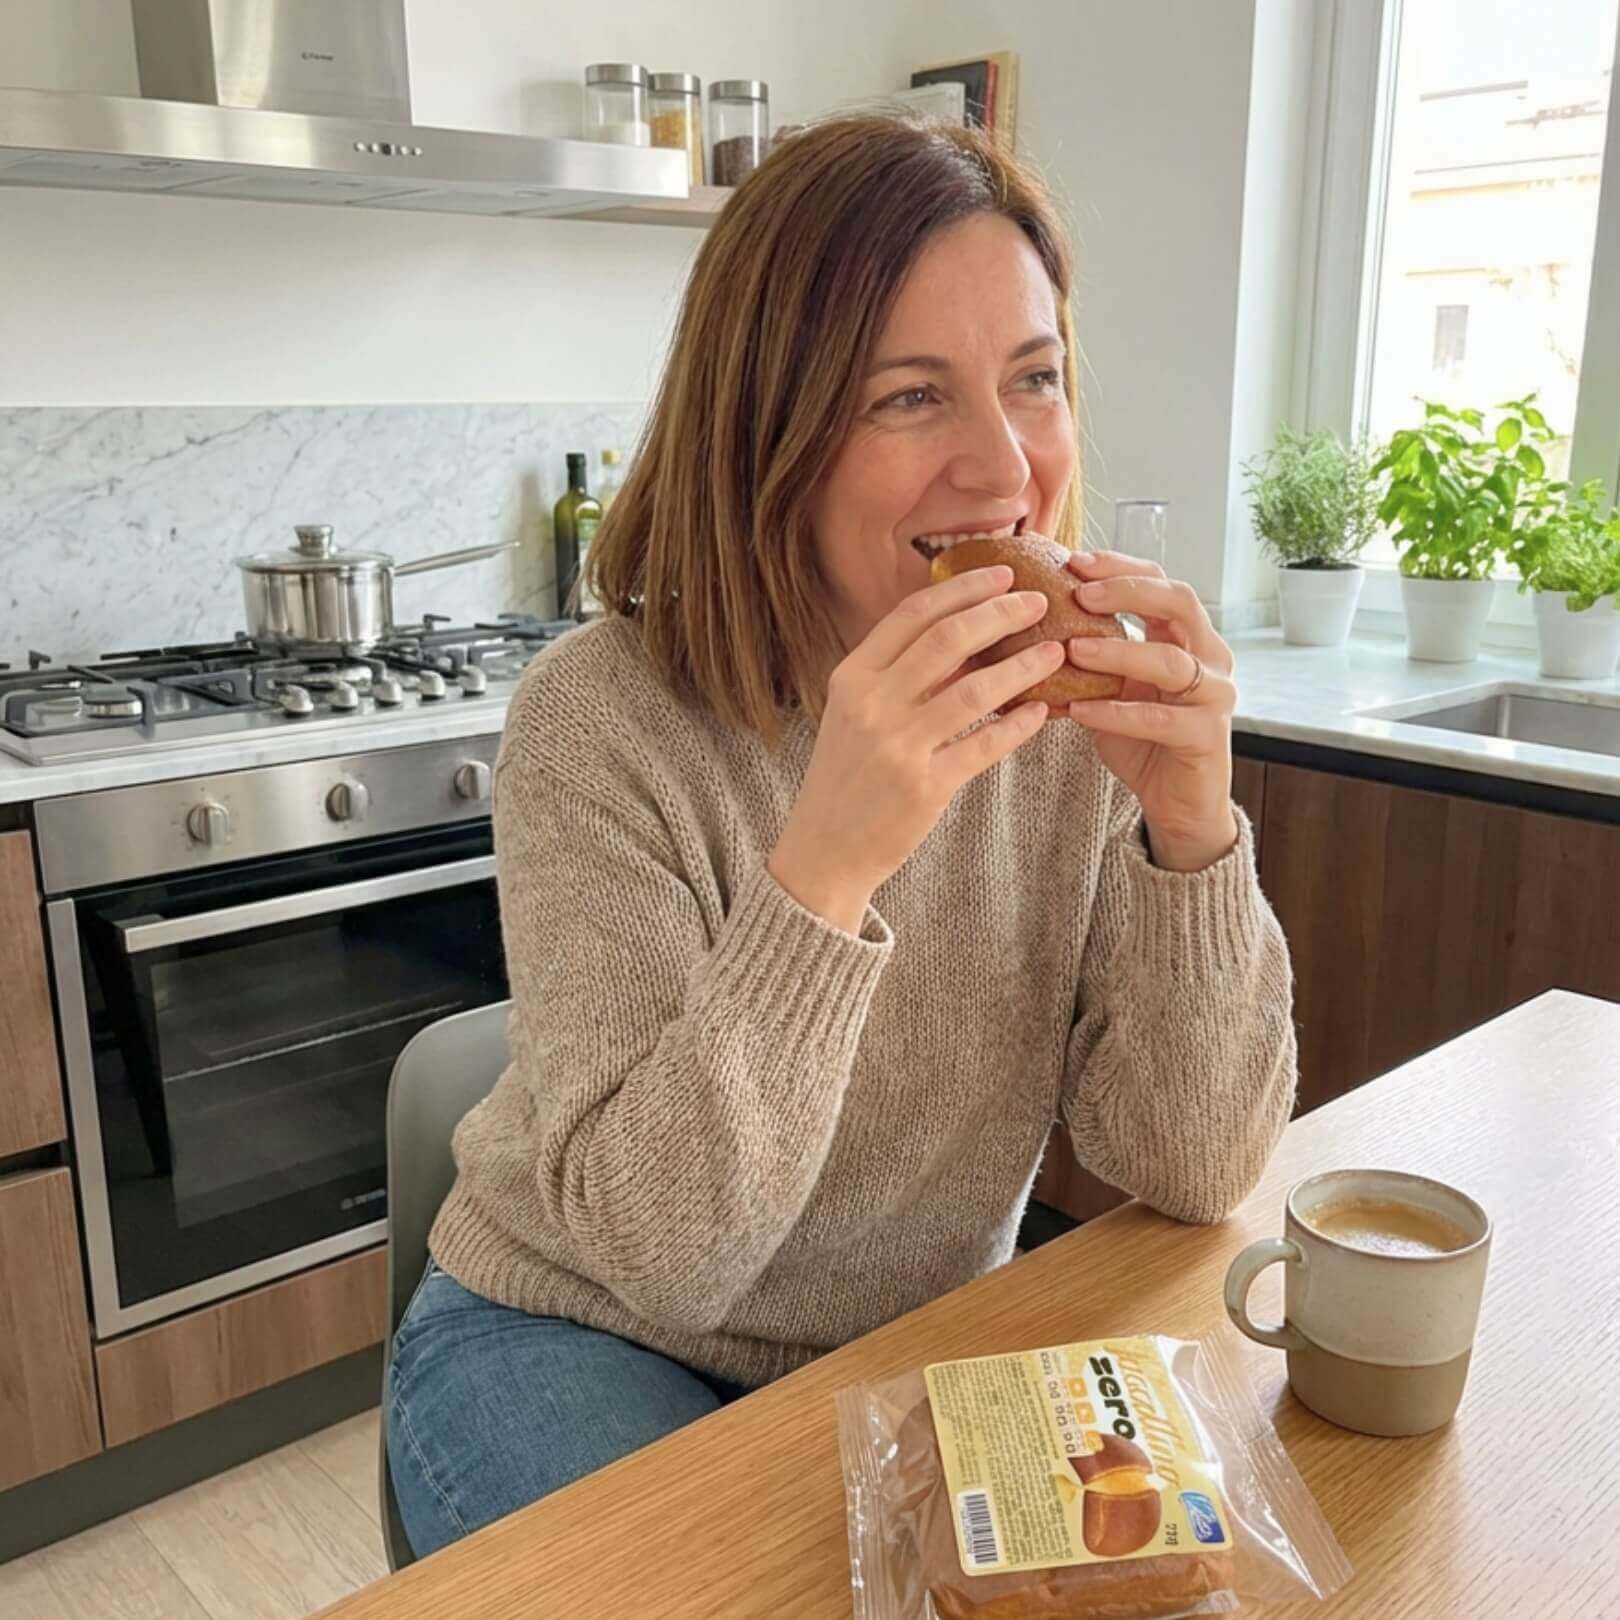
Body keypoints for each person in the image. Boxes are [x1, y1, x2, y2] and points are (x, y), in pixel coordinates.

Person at [387, 115, 1296, 1559]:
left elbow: (1186, 1167)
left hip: (922, 1342)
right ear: (773, 432)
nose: (1003, 469)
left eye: (1036, 380)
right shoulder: (598, 726)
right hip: (578, 1332)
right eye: (909, 399)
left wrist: (1192, 832)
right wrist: (827, 871)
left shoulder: (1066, 721)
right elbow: (660, 1258)